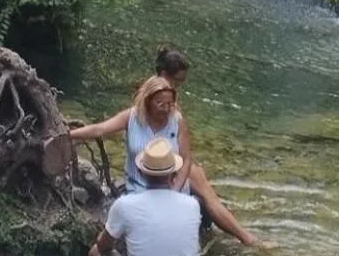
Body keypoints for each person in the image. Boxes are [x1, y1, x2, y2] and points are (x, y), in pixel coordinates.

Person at [71, 71, 257, 246]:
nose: (166, 109)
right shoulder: (132, 117)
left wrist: (174, 190)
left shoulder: (177, 120)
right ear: (148, 101)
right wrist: (69, 135)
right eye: (161, 104)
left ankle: (247, 239)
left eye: (170, 104)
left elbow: (185, 159)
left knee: (204, 195)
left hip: (172, 186)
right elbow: (99, 129)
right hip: (139, 187)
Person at [87, 136, 203, 256]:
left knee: (94, 253)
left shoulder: (125, 205)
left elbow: (103, 248)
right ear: (174, 174)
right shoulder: (193, 205)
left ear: (140, 173)